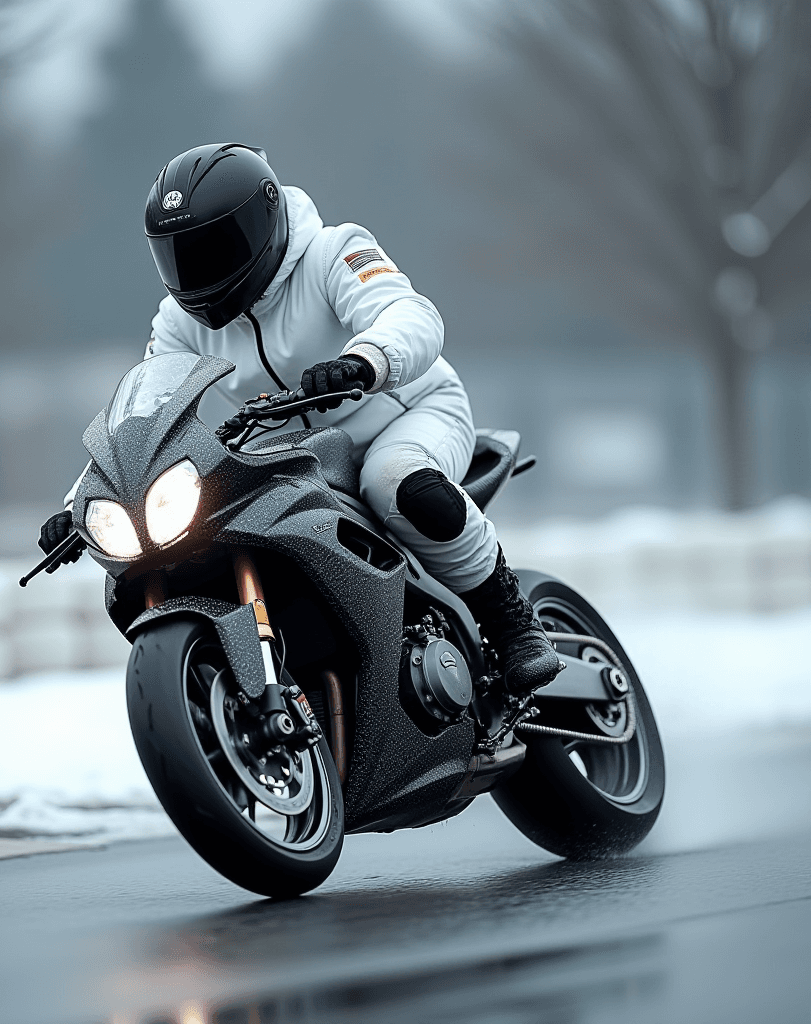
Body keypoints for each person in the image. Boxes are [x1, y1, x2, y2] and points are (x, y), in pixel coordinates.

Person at [39, 143, 558, 695]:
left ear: (261, 221)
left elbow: (411, 314)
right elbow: (145, 417)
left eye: (214, 247)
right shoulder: (178, 321)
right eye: (179, 254)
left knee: (393, 482)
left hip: (402, 414)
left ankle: (510, 621)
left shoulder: (334, 252)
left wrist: (364, 361)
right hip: (300, 455)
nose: (196, 270)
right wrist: (80, 505)